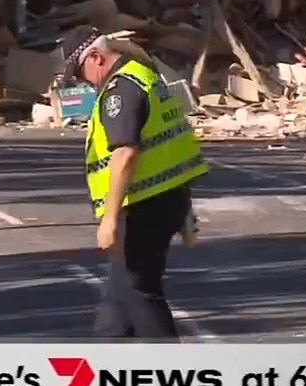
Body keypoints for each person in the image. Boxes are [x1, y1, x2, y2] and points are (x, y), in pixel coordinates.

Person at [54, 25, 209, 341]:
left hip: (141, 207)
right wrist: (185, 207)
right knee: (117, 299)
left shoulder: (120, 90)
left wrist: (109, 219)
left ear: (96, 57)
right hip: (164, 199)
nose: (84, 83)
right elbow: (171, 145)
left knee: (140, 292)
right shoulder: (144, 74)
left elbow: (125, 153)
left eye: (81, 73)